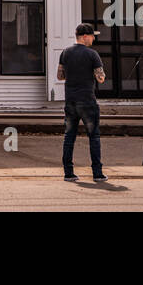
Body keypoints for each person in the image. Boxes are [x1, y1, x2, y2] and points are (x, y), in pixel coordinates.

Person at [56, 22, 107, 182]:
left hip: (70, 101)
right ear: (85, 36)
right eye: (92, 36)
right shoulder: (92, 54)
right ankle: (97, 173)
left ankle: (68, 173)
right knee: (94, 136)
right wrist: (96, 74)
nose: (93, 39)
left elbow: (60, 76)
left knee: (69, 136)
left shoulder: (65, 52)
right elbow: (101, 78)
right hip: (87, 102)